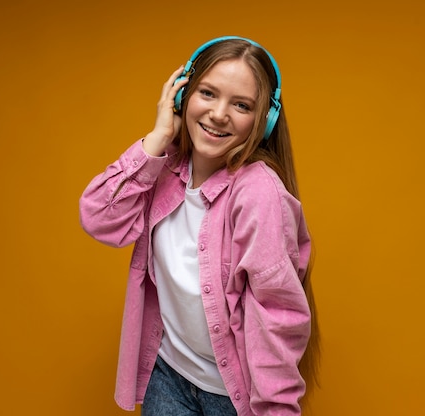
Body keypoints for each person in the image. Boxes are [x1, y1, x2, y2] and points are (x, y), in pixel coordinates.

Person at [79, 36, 320, 416]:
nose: (220, 113)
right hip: (169, 376)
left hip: (229, 396)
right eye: (207, 93)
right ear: (181, 96)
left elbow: (277, 314)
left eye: (241, 105)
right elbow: (99, 218)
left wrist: (276, 409)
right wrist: (157, 138)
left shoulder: (258, 193)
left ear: (265, 120)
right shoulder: (163, 169)